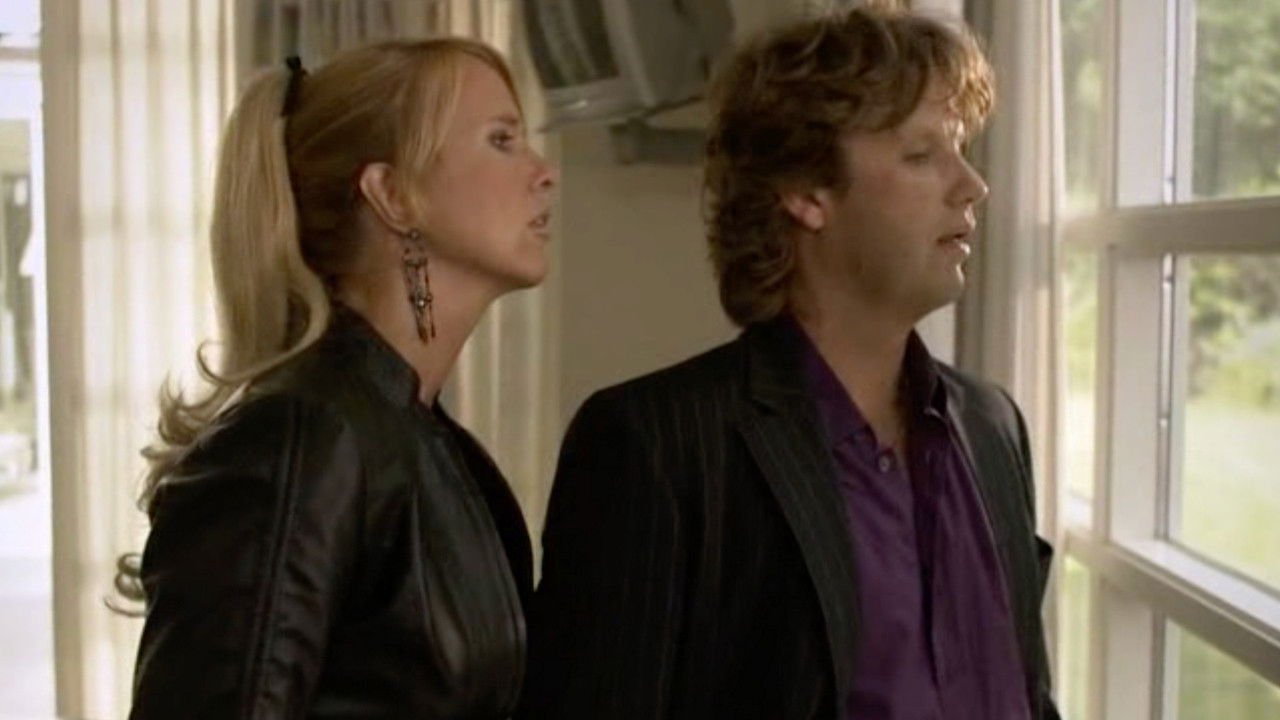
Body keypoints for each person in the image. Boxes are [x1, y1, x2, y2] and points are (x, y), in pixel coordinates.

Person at [520, 5, 1059, 720]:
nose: (972, 185)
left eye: (961, 147)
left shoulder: (993, 427)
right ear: (805, 191)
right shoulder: (656, 444)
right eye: (922, 154)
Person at [121, 37, 556, 719]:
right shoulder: (298, 436)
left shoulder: (431, 443)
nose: (544, 172)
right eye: (502, 140)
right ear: (393, 194)